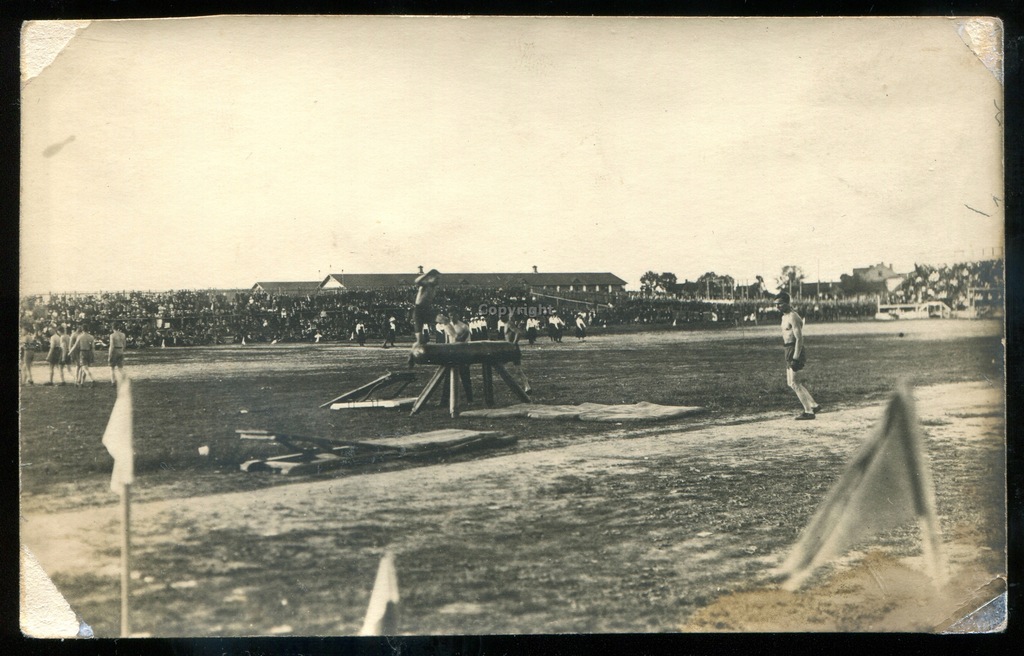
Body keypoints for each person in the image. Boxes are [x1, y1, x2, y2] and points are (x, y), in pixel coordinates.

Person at [774, 292, 820, 420]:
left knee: (794, 382)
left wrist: (795, 357)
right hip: (788, 349)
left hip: (795, 349)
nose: (777, 306)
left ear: (787, 303)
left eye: (780, 304)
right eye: (776, 304)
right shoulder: (784, 316)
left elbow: (799, 339)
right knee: (791, 382)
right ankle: (813, 405)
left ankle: (809, 411)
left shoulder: (793, 317)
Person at [412, 269, 441, 345]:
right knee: (419, 340)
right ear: (431, 278)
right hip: (419, 310)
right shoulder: (426, 284)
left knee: (444, 320)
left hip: (427, 309)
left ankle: (455, 341)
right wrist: (426, 275)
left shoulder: (434, 287)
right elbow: (416, 281)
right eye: (437, 278)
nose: (438, 280)